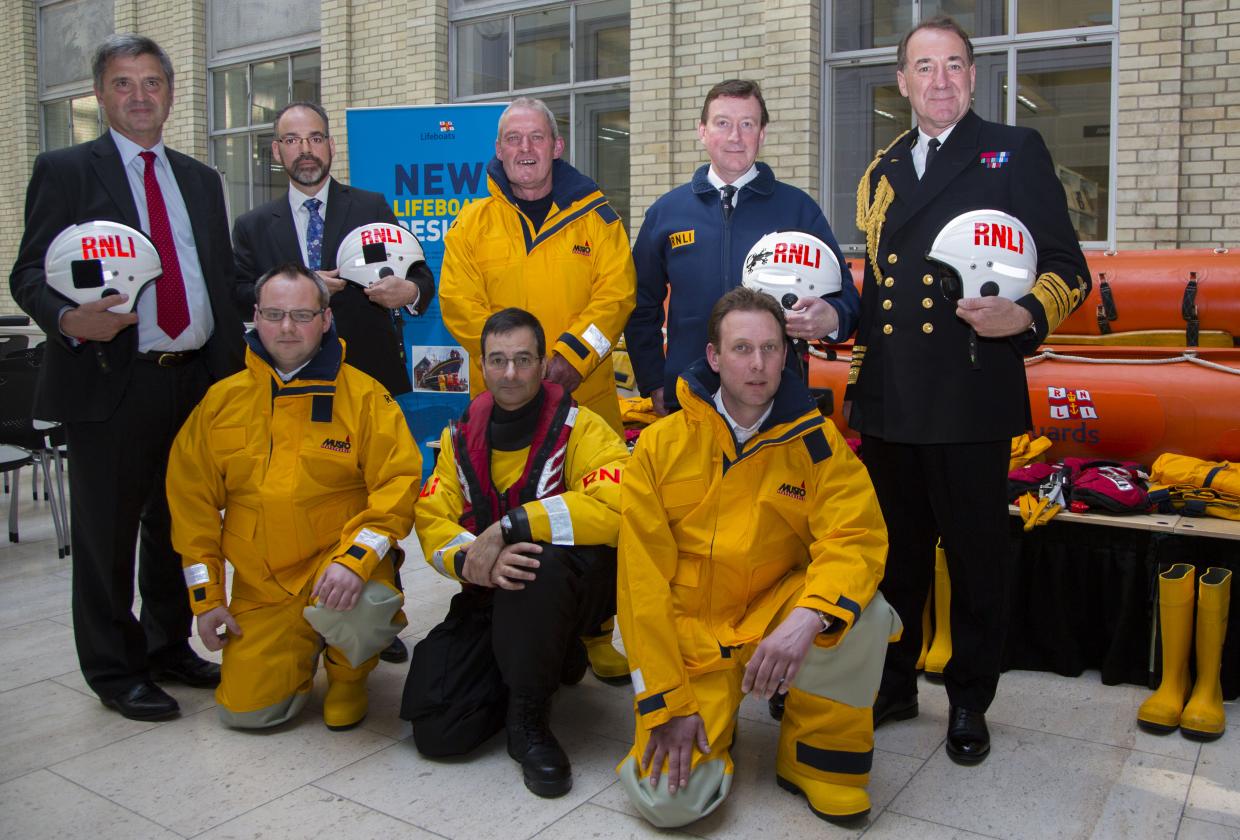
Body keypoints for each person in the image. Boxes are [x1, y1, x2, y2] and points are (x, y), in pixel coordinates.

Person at [848, 16, 1091, 765]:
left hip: (972, 389)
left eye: (955, 65)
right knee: (896, 557)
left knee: (979, 558)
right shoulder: (882, 169)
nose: (940, 80)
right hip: (893, 392)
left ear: (974, 77)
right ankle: (892, 684)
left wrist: (1023, 314)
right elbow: (881, 289)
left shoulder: (1014, 150)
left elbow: (1068, 266)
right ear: (903, 81)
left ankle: (968, 699)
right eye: (925, 67)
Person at [8, 34, 245, 721]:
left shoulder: (201, 180)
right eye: (123, 83)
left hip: (194, 378)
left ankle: (169, 644)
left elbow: (217, 279)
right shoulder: (66, 169)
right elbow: (28, 273)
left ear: (170, 93)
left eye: (152, 83)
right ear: (101, 94)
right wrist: (65, 318)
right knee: (107, 533)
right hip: (112, 378)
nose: (140, 96)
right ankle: (115, 670)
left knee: (179, 523)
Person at [616, 287, 897, 826]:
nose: (758, 364)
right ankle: (711, 718)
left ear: (786, 356)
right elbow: (639, 585)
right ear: (715, 357)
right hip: (691, 635)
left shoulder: (818, 445)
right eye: (742, 349)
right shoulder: (660, 446)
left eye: (770, 349)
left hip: (774, 615)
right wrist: (667, 703)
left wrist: (809, 616)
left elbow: (856, 538)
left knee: (863, 612)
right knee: (670, 804)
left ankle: (817, 758)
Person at [166, 264, 421, 730]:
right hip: (262, 584)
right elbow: (191, 505)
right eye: (275, 314)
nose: (287, 327)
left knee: (366, 614)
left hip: (340, 569)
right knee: (248, 713)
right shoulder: (221, 403)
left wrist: (357, 559)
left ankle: (349, 674)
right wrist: (205, 598)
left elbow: (399, 487)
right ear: (256, 318)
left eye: (303, 315)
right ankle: (296, 653)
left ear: (326, 320)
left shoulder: (364, 397)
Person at [439, 96, 635, 683]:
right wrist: (512, 367)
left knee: (600, 513)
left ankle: (599, 631)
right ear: (498, 150)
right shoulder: (472, 223)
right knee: (502, 508)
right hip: (501, 407)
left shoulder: (597, 218)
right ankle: (504, 613)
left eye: (535, 138)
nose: (524, 150)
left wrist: (571, 358)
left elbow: (616, 295)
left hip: (584, 396)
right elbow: (458, 301)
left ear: (557, 146)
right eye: (512, 140)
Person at [232, 100, 433, 664]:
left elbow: (415, 270)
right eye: (292, 141)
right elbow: (234, 293)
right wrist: (292, 290)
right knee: (301, 496)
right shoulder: (252, 227)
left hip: (364, 375)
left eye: (315, 138)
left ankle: (381, 617)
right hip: (287, 385)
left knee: (377, 494)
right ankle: (300, 604)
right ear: (277, 152)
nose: (306, 150)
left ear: (330, 146)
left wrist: (410, 293)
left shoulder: (369, 206)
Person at [407, 308, 629, 798]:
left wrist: (513, 525)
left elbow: (620, 506)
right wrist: (471, 560)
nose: (511, 373)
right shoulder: (458, 436)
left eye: (523, 359)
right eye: (499, 360)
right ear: (481, 365)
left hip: (576, 588)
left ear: (543, 363)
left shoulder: (582, 427)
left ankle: (528, 722)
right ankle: (546, 658)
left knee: (536, 563)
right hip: (494, 590)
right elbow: (431, 519)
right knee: (440, 730)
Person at [627, 79, 861, 415]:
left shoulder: (797, 210)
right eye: (723, 123)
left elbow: (847, 298)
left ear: (762, 134)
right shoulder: (666, 212)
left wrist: (832, 316)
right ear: (702, 131)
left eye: (747, 124)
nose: (735, 136)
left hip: (777, 403)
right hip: (690, 399)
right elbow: (639, 305)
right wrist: (653, 381)